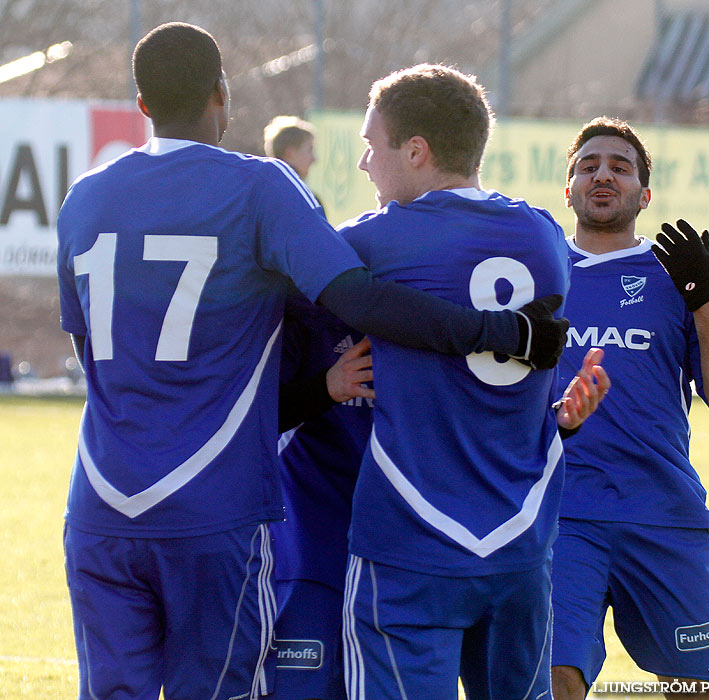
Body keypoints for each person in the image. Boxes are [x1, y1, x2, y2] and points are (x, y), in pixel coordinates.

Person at [55, 23, 568, 700]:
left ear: (142, 103)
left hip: (99, 501)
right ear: (221, 95)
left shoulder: (84, 196)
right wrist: (498, 330)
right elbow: (358, 298)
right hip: (213, 506)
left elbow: (87, 349)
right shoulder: (261, 187)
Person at [336, 64, 610, 700]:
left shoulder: (378, 240)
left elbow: (315, 282)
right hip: (520, 542)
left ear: (416, 151)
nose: (364, 166)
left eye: (370, 146)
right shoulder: (543, 236)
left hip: (409, 541)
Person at [550, 116, 709, 700]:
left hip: (662, 513)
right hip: (561, 512)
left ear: (644, 195)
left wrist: (705, 297)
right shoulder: (537, 274)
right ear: (567, 190)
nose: (602, 175)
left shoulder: (678, 278)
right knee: (553, 676)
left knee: (697, 690)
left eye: (621, 167)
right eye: (587, 166)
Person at [263, 115, 317, 181]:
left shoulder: (263, 184)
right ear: (290, 153)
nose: (314, 159)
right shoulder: (289, 189)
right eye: (309, 150)